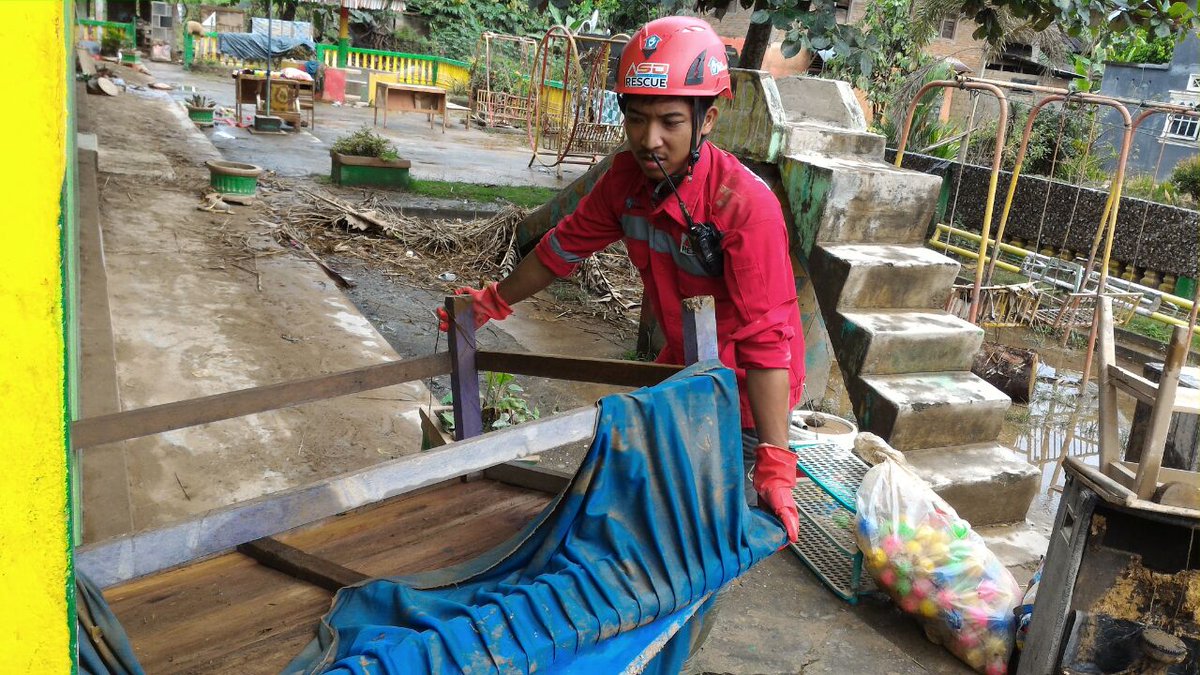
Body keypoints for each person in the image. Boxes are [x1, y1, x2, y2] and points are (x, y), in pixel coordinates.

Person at [438, 16, 803, 543]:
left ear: (707, 119)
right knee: (638, 503)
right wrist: (492, 301)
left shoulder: (745, 207)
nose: (648, 140)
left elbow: (767, 344)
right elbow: (558, 251)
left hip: (746, 397)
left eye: (670, 122)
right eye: (635, 119)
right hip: (680, 371)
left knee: (707, 538)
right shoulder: (624, 183)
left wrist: (774, 459)